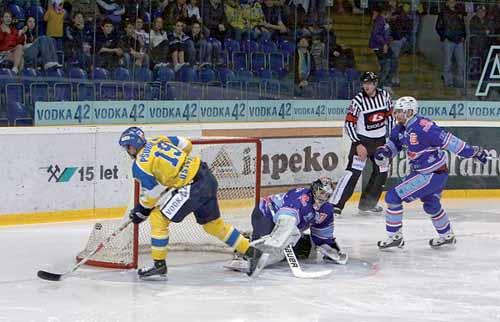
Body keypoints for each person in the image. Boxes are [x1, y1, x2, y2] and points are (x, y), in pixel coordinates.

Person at [118, 127, 263, 279]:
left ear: (132, 145)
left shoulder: (140, 165)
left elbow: (151, 195)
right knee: (213, 225)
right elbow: (186, 144)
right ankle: (253, 253)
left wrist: (141, 210)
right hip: (206, 175)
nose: (127, 151)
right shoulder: (159, 140)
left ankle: (159, 265)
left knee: (158, 217)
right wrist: (178, 170)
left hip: (193, 187)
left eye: (127, 147)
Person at [374, 96, 488, 249]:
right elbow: (395, 143)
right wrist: (385, 151)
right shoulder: (401, 127)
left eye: (399, 112)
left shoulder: (424, 128)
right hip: (429, 173)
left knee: (393, 197)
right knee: (431, 205)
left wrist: (471, 152)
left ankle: (395, 236)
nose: (396, 114)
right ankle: (446, 235)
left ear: (409, 112)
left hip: (430, 174)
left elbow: (450, 141)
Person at [226, 177, 347, 275]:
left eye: (327, 195)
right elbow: (286, 220)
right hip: (265, 213)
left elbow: (322, 236)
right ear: (315, 189)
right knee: (276, 252)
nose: (323, 197)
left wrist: (330, 249)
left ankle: (256, 241)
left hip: (289, 225)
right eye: (321, 193)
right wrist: (281, 240)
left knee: (306, 250)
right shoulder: (300, 197)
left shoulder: (327, 210)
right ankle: (245, 247)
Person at [330, 72, 393, 216]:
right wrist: (358, 144)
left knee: (381, 174)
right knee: (353, 173)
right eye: (365, 83)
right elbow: (349, 123)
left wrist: (390, 140)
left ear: (375, 84)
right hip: (363, 142)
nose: (367, 86)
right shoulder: (358, 100)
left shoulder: (385, 96)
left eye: (370, 83)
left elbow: (390, 118)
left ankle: (367, 204)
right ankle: (336, 205)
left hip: (380, 143)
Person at [435, 0, 466, 88]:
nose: (453, 2)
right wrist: (445, 37)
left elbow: (462, 25)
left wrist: (463, 36)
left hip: (459, 40)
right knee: (448, 62)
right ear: (447, 2)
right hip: (449, 41)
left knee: (461, 62)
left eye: (454, 1)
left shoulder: (459, 11)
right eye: (451, 1)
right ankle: (448, 81)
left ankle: (460, 81)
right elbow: (438, 27)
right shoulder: (443, 12)